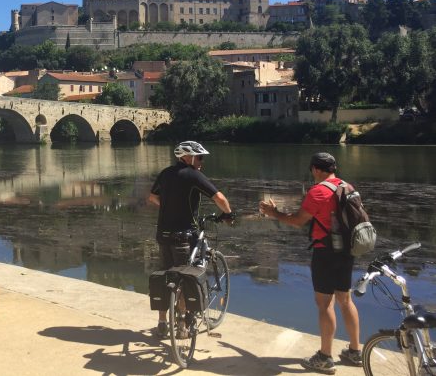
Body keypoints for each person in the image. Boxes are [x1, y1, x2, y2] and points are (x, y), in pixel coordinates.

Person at [259, 152, 362, 374]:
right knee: (345, 298)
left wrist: (273, 212)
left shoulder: (318, 191)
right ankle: (355, 351)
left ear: (316, 169)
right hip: (347, 250)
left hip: (326, 251)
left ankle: (325, 357)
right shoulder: (348, 187)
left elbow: (297, 221)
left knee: (325, 304)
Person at [147, 140, 234, 339]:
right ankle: (181, 325)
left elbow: (152, 197)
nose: (202, 162)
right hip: (184, 237)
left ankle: (162, 322)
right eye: (200, 157)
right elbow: (219, 198)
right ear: (188, 157)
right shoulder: (193, 175)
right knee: (185, 279)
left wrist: (169, 206)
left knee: (166, 274)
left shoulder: (165, 173)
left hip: (163, 235)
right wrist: (229, 214)